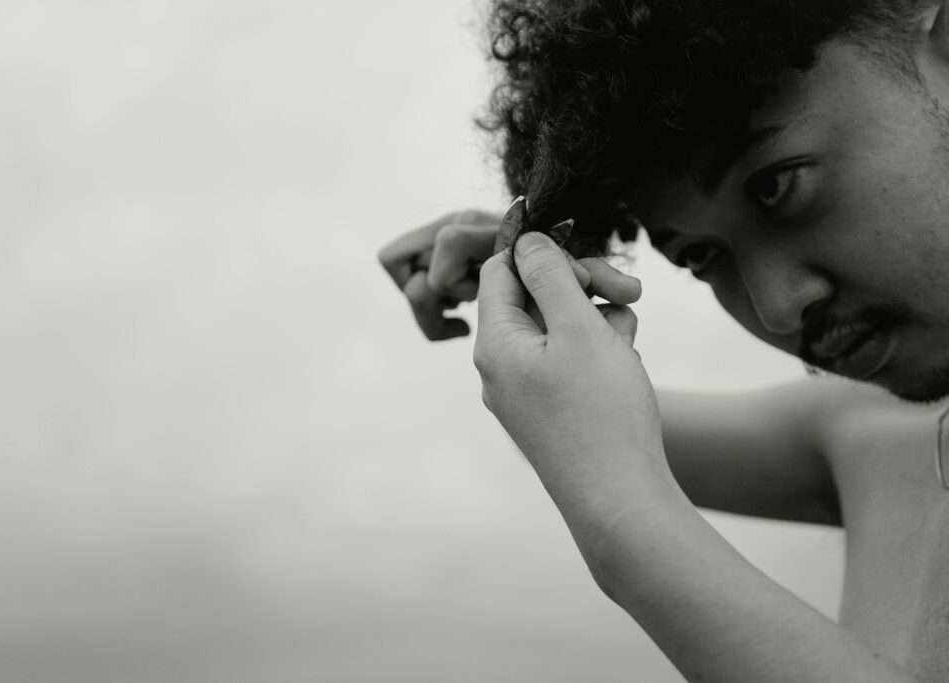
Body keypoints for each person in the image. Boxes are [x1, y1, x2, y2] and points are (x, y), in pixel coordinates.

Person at [379, 1, 949, 680]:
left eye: (777, 186)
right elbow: (573, 425)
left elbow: (603, 461)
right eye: (702, 256)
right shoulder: (874, 431)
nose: (777, 308)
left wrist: (620, 517)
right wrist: (529, 289)